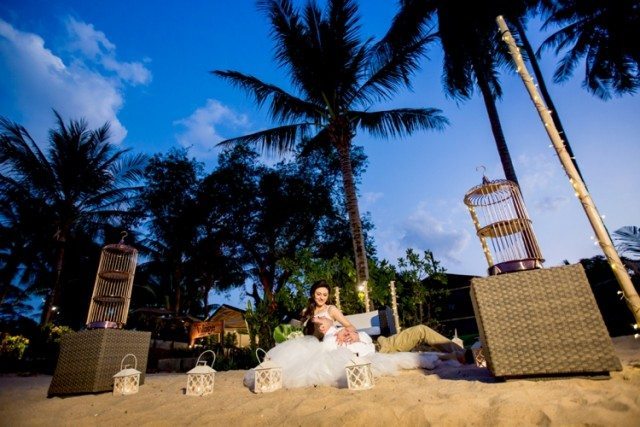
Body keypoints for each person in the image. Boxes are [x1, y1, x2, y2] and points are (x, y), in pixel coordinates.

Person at [243, 280, 466, 390]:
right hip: (370, 350)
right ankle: (459, 355)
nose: (322, 297)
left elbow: (349, 327)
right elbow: (306, 336)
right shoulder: (306, 314)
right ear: (313, 294)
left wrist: (347, 333)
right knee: (418, 344)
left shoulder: (332, 310)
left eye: (325, 294)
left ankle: (460, 353)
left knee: (420, 332)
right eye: (319, 294)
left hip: (374, 343)